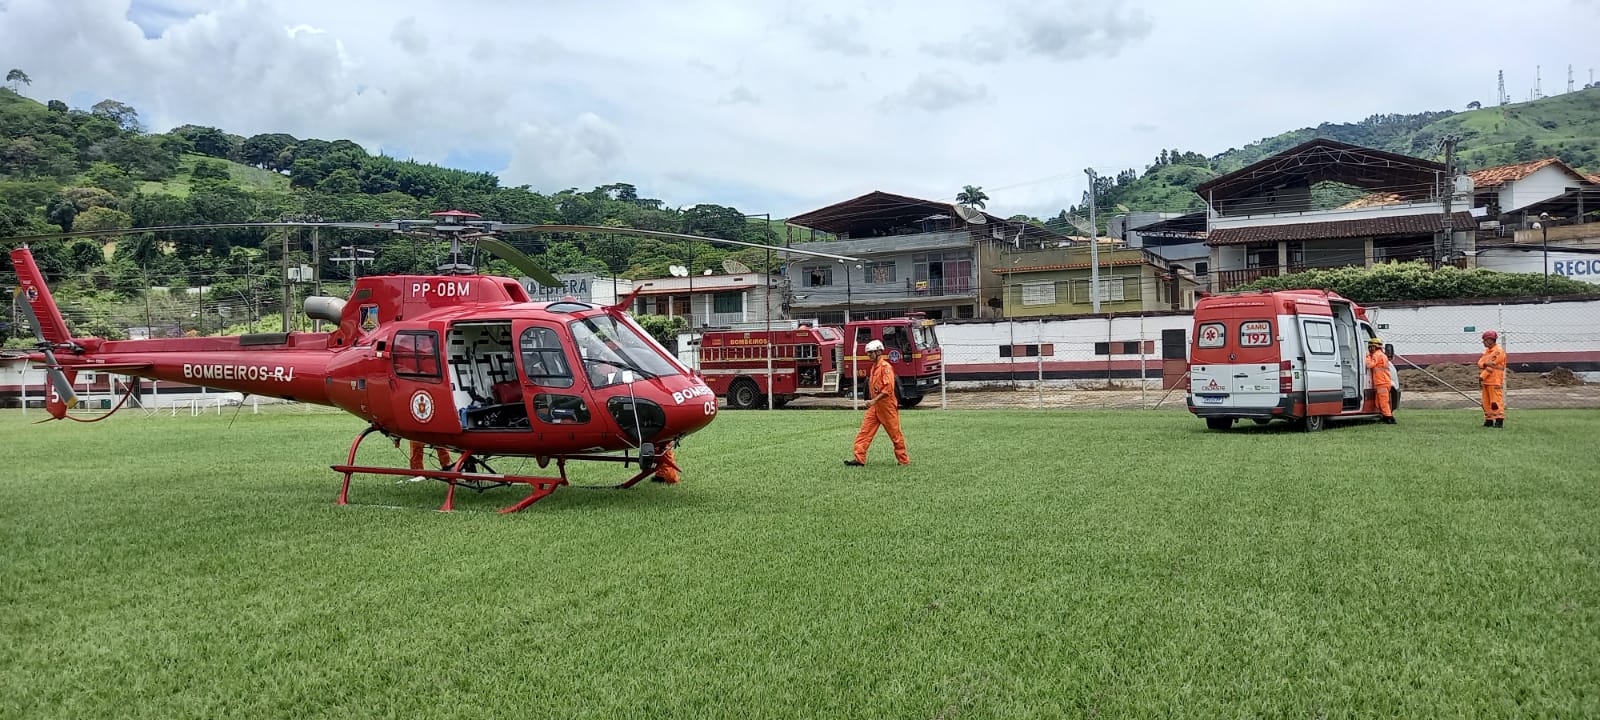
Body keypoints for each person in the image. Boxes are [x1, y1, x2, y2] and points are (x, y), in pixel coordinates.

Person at [845, 339, 909, 466]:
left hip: (886, 406)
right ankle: (859, 459)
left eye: (871, 353)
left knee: (895, 435)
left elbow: (888, 389)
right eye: (868, 353)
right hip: (875, 406)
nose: (869, 355)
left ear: (879, 352)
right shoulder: (874, 368)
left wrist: (873, 400)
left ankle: (903, 460)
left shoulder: (885, 368)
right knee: (864, 432)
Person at [1478, 330, 1507, 428]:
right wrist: (1484, 365)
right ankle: (1489, 420)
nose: (1483, 342)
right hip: (1486, 381)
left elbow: (1492, 365)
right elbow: (1480, 363)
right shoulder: (1487, 352)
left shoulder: (1498, 351)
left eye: (1485, 340)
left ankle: (1499, 420)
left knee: (1495, 402)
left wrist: (1482, 375)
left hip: (1495, 381)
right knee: (1486, 402)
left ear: (1491, 340)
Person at [1365, 337, 1395, 424]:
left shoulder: (1376, 355)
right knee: (1378, 402)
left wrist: (1367, 357)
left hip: (1381, 382)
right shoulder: (1383, 355)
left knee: (1383, 402)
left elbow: (1370, 365)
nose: (1370, 348)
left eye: (1371, 346)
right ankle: (1384, 416)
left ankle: (1389, 418)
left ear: (1376, 347)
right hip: (1385, 382)